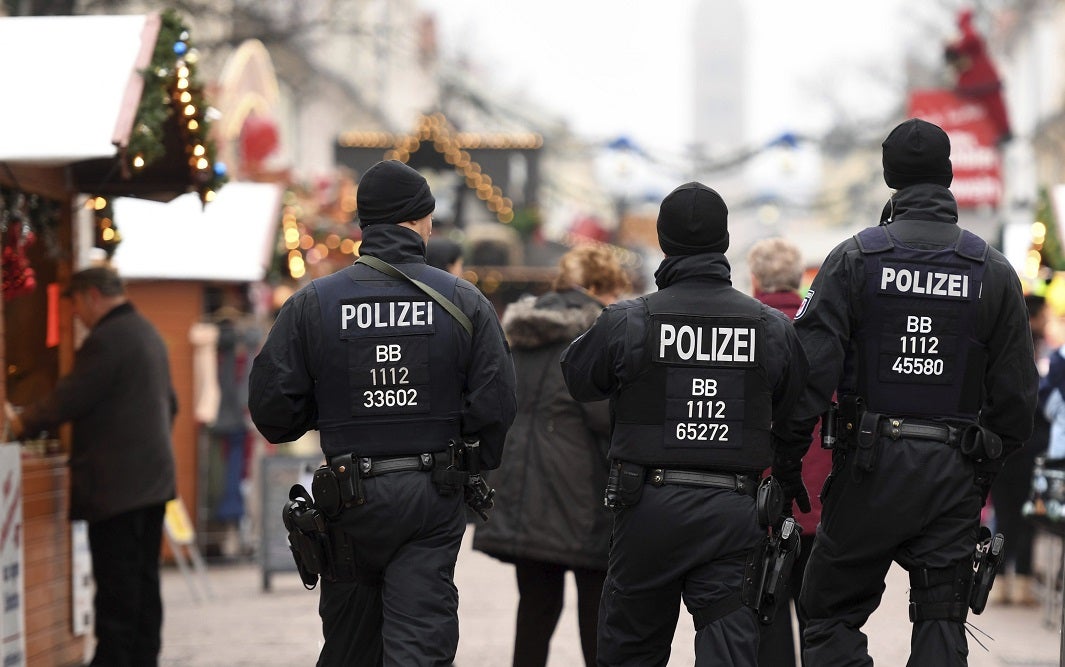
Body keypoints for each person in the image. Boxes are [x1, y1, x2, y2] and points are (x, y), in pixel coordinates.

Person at [772, 118, 1038, 666]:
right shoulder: (992, 269)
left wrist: (787, 461)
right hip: (953, 470)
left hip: (869, 467)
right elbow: (1016, 396)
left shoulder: (854, 259)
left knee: (828, 611)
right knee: (942, 620)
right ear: (949, 176)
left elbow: (808, 374)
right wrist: (982, 472)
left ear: (890, 176)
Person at [248, 159, 517, 666]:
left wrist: (332, 406)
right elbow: (496, 403)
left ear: (366, 224)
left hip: (347, 497)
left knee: (350, 647)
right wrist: (469, 464)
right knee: (420, 644)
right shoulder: (462, 300)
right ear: (417, 220)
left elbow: (273, 411)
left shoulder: (314, 303)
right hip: (431, 495)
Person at [561, 182, 809, 666]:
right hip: (734, 511)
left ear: (662, 241)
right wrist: (785, 472)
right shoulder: (770, 328)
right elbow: (796, 408)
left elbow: (579, 378)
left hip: (646, 507)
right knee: (729, 650)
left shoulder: (629, 321)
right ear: (724, 241)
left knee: (631, 649)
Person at [8, 265, 177, 667]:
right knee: (143, 583)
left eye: (76, 306)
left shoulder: (107, 340)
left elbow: (68, 398)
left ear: (91, 296)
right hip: (152, 483)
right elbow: (171, 405)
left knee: (118, 589)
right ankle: (143, 659)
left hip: (117, 489)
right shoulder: (147, 333)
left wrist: (19, 423)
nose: (76, 316)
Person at [473, 244, 631, 667]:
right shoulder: (595, 334)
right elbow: (604, 417)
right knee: (596, 610)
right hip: (581, 494)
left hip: (523, 490)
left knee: (536, 608)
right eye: (614, 291)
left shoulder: (523, 332)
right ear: (598, 287)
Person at [747, 237, 831, 667]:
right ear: (799, 279)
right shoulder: (826, 327)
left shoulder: (745, 328)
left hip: (762, 498)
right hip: (821, 497)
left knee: (767, 613)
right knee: (820, 619)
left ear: (755, 279)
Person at [988, 293, 1048, 605]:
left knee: (1003, 516)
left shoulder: (997, 348)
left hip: (1000, 448)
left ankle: (998, 581)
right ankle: (1021, 582)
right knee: (1026, 518)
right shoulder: (1037, 355)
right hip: (1029, 448)